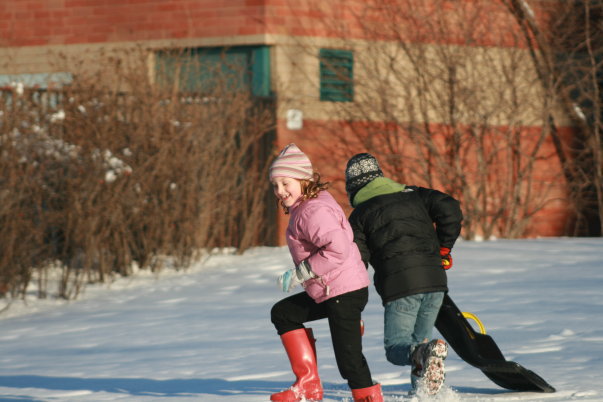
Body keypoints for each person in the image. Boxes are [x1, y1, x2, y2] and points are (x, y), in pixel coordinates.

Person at [269, 144, 383, 402]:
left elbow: (338, 249)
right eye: (275, 185)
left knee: (349, 362)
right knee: (284, 313)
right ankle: (308, 384)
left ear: (303, 180)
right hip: (331, 289)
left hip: (344, 291)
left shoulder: (312, 210)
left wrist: (302, 272)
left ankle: (368, 397)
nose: (280, 190)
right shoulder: (306, 206)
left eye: (286, 183)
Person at [344, 152, 463, 396]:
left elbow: (357, 262)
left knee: (397, 348)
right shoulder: (413, 194)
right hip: (436, 281)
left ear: (353, 187)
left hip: (400, 287)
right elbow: (450, 207)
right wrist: (443, 248)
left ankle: (423, 356)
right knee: (422, 344)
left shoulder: (359, 216)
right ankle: (423, 393)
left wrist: (350, 301)